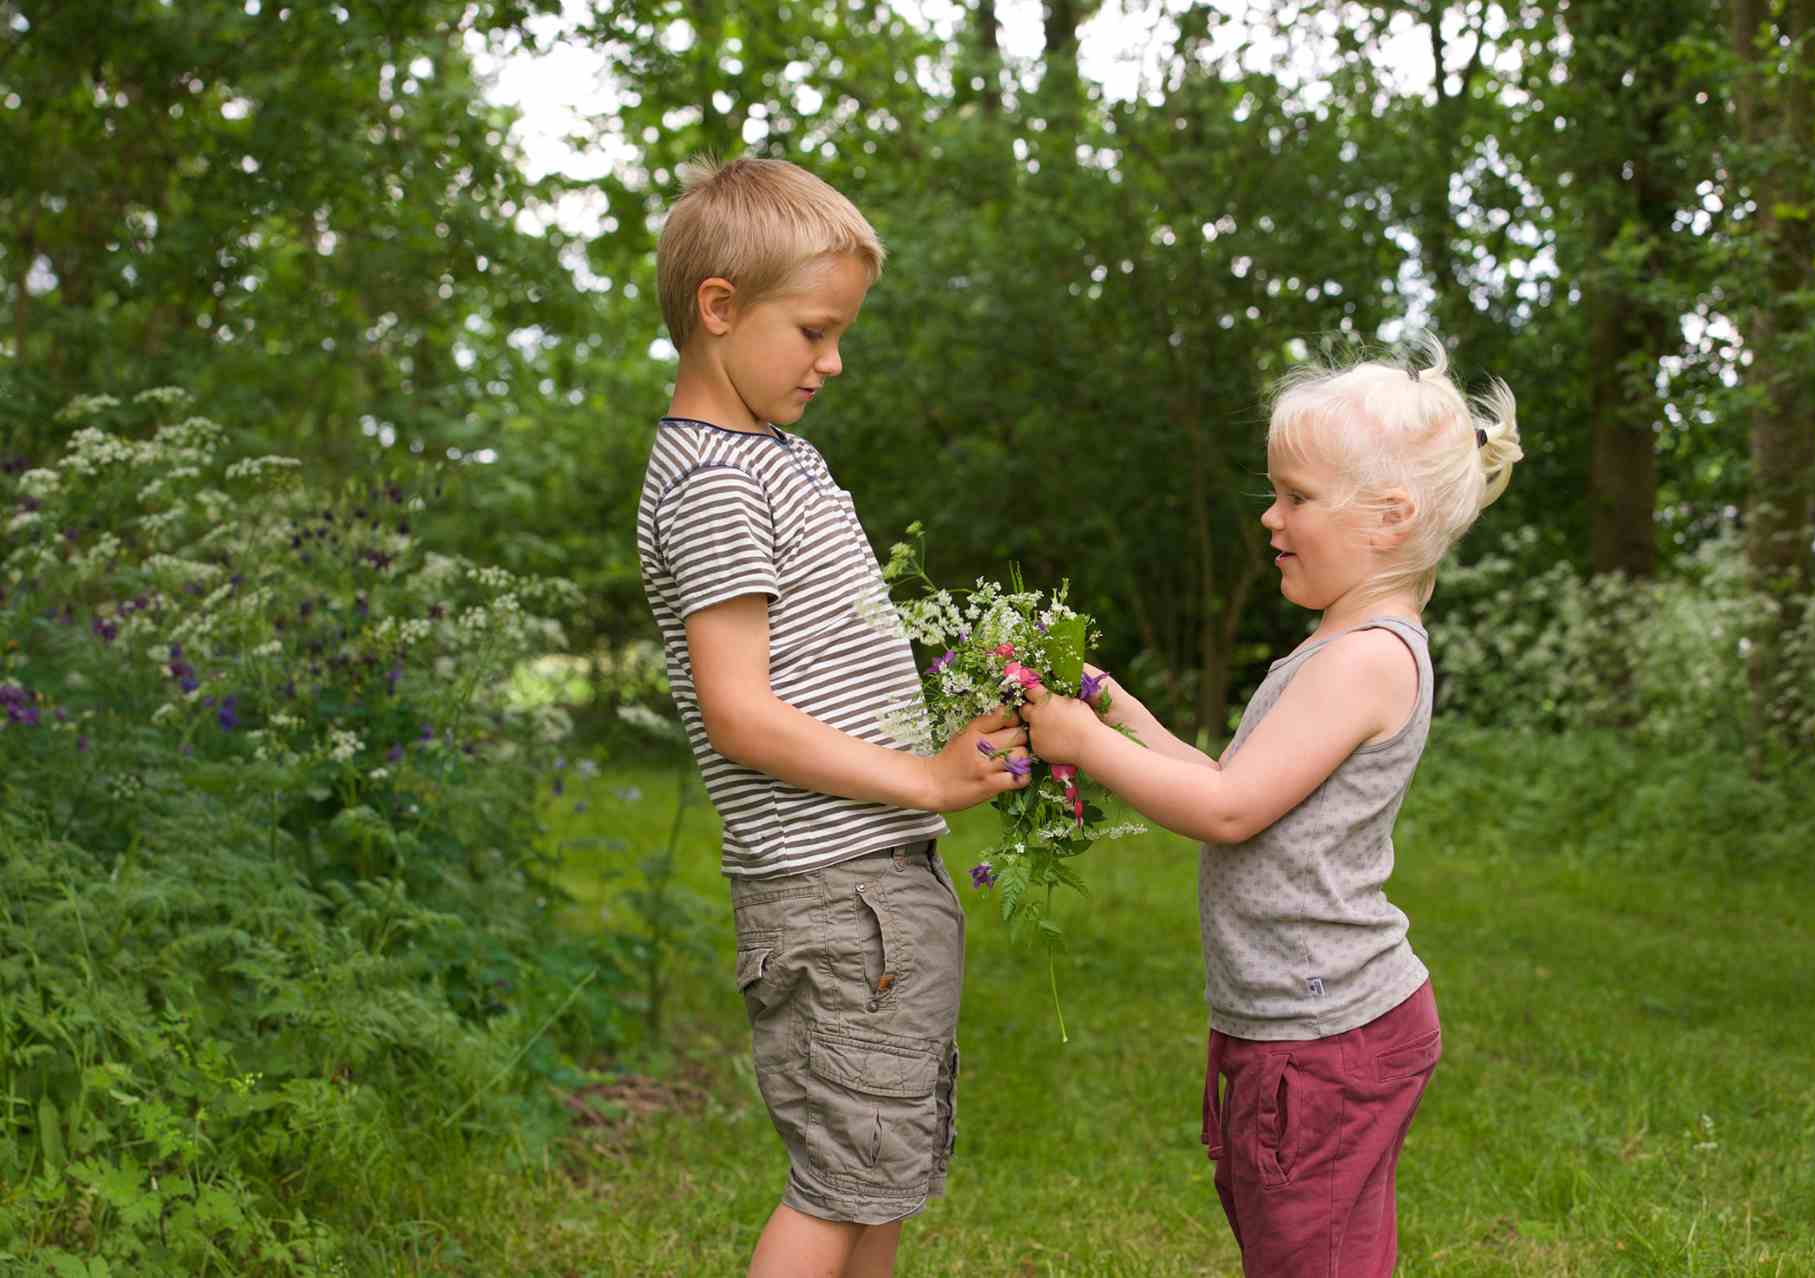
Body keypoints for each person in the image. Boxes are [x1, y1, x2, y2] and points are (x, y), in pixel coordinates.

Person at [1019, 335, 1521, 1277]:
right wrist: (1113, 710)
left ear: (1390, 517)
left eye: (1296, 497)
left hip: (1325, 1038)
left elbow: (1227, 811)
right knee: (1313, 1250)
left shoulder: (1365, 659)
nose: (1270, 517)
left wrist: (1084, 745)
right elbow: (1229, 782)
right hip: (1303, 1027)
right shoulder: (1340, 649)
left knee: (1311, 1259)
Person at [633, 156, 1031, 1278]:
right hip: (833, 888)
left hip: (873, 879)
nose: (833, 360)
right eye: (814, 331)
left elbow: (823, 671)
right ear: (719, 308)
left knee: (878, 1172)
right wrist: (928, 779)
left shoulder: (769, 459)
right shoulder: (715, 481)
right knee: (838, 1184)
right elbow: (742, 715)